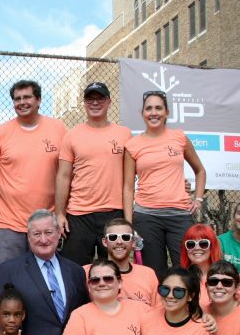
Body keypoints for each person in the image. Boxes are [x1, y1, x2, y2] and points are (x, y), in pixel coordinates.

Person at [122, 90, 207, 280]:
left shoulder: (179, 138)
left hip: (179, 215)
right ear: (142, 113)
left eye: (158, 108)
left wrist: (198, 199)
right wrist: (128, 223)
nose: (154, 113)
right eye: (149, 108)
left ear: (167, 112)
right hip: (146, 217)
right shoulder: (133, 145)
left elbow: (200, 170)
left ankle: (190, 310)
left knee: (188, 272)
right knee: (153, 274)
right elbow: (128, 188)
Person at [0, 80, 68, 270]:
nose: (22, 102)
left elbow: (68, 171)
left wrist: (61, 211)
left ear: (38, 100)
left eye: (27, 97)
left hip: (46, 222)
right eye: (17, 99)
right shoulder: (1, 133)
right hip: (9, 223)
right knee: (6, 279)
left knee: (45, 280)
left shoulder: (58, 129)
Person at [54, 83, 131, 264]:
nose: (95, 103)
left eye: (100, 98)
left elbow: (135, 173)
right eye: (90, 99)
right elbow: (63, 176)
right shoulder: (72, 135)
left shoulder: (124, 134)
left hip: (113, 213)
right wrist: (59, 213)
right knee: (75, 270)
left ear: (109, 102)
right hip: (79, 214)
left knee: (114, 269)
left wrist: (128, 220)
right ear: (84, 102)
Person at [91, 217, 158, 306]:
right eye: (113, 237)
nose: (119, 242)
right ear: (105, 242)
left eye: (125, 237)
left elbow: (157, 311)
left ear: (133, 242)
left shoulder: (148, 274)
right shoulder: (88, 273)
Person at [181, 224, 223, 301]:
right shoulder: (178, 278)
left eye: (203, 244)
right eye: (191, 244)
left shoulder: (226, 278)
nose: (197, 248)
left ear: (212, 247)